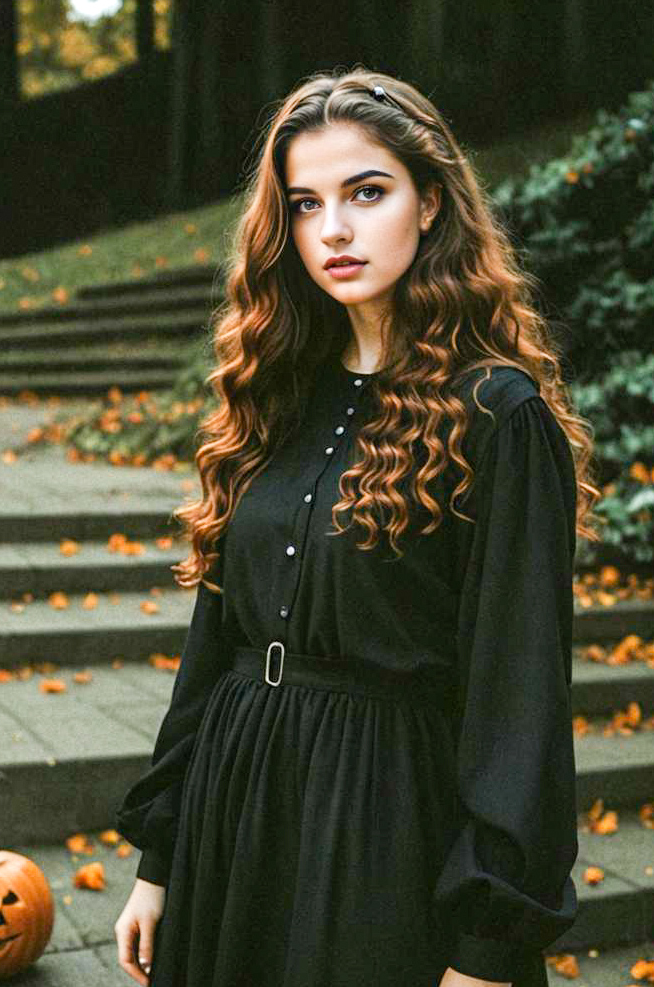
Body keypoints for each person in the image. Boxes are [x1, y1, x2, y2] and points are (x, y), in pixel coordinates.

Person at [113, 66, 600, 987]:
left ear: (430, 205)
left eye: (366, 193)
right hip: (238, 802)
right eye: (304, 204)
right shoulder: (274, 394)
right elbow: (214, 641)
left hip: (382, 828)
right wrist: (161, 857)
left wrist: (489, 948)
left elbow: (518, 698)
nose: (331, 229)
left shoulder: (498, 415)